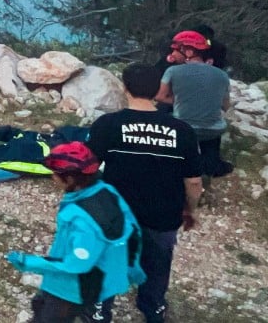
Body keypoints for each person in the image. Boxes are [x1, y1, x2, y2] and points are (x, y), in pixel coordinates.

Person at [87, 63, 204, 323]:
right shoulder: (182, 131)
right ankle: (153, 309)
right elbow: (194, 182)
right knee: (158, 264)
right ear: (157, 91)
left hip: (117, 214)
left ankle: (99, 311)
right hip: (163, 215)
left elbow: (87, 168)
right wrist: (190, 209)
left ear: (124, 87)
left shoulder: (108, 125)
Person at [5, 142, 145, 323]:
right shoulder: (106, 191)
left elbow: (75, 265)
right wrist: (132, 267)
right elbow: (133, 231)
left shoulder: (81, 218)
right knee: (41, 305)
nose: (53, 177)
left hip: (72, 288)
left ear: (71, 179)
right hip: (101, 278)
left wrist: (28, 262)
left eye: (55, 174)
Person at [155, 31, 234, 181]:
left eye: (176, 50)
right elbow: (225, 106)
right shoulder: (222, 75)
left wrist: (180, 100)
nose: (172, 54)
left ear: (188, 52)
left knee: (163, 113)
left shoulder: (173, 71)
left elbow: (160, 96)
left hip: (184, 129)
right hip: (213, 130)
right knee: (212, 125)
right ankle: (211, 165)